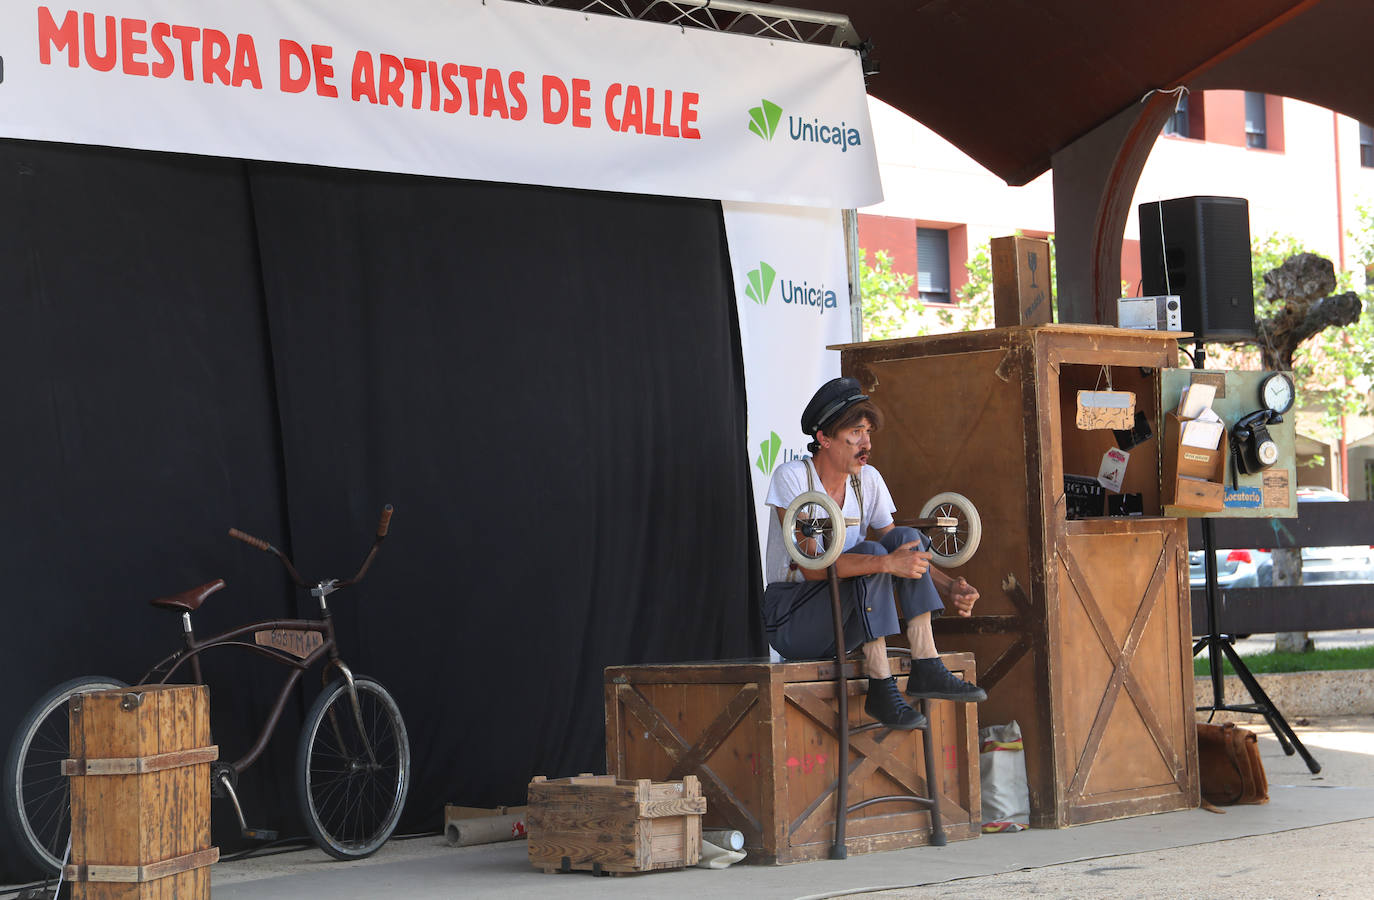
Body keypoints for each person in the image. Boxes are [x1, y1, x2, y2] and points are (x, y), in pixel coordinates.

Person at [762, 376, 986, 730]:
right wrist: (883, 562)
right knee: (872, 551)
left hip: (847, 614)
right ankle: (880, 682)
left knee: (905, 536)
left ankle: (926, 661)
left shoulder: (868, 479)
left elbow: (901, 547)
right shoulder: (792, 479)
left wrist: (948, 586)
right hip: (794, 618)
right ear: (824, 438)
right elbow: (814, 571)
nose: (865, 443)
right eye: (855, 433)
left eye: (868, 432)